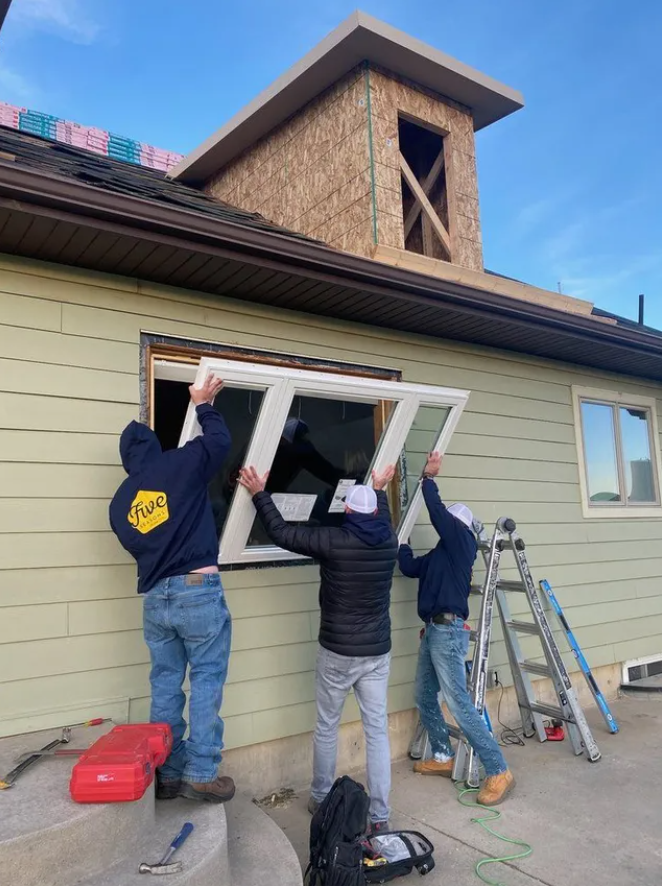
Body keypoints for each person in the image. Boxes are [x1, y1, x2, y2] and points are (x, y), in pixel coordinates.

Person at [238, 464, 399, 832]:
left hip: (338, 652)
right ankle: (380, 818)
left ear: (348, 512)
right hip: (376, 653)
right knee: (376, 731)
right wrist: (379, 488)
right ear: (375, 511)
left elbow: (280, 532)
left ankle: (323, 800)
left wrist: (260, 493)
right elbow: (381, 518)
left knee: (327, 726)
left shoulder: (334, 541)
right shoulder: (388, 539)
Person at [109, 373, 235, 804]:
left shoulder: (120, 504)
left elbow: (139, 543)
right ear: (155, 447)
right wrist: (202, 403)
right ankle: (201, 773)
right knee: (206, 678)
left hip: (155, 598)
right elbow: (219, 442)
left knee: (165, 683)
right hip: (197, 590)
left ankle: (164, 773)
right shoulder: (178, 464)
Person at [398, 452, 515, 806]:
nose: (443, 523)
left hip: (448, 635)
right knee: (423, 695)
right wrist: (398, 542)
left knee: (459, 704)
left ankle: (498, 769)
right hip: (433, 632)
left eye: (448, 520)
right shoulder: (440, 556)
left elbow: (438, 516)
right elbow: (410, 568)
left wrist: (428, 480)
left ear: (456, 525)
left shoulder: (461, 542)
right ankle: (443, 755)